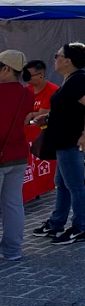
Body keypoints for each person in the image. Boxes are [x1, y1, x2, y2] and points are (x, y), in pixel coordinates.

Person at [31, 43, 85, 244]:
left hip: (71, 141)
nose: (55, 59)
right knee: (62, 184)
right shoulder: (71, 80)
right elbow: (68, 109)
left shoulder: (78, 81)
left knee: (75, 186)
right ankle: (56, 223)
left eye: (57, 55)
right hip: (63, 141)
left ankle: (80, 228)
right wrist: (48, 118)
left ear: (67, 61)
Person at [0, 51, 32, 261]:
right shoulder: (27, 94)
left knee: (12, 204)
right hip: (18, 154)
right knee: (13, 205)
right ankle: (12, 251)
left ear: (7, 69)